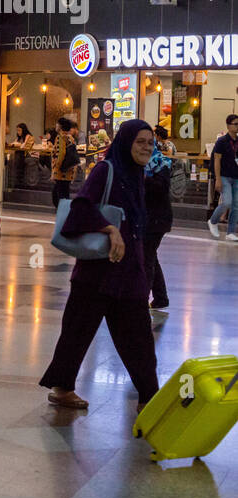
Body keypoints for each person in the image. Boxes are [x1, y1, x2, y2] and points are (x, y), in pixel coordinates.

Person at [41, 120, 159, 411]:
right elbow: (81, 207)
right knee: (76, 334)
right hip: (96, 272)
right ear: (126, 143)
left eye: (150, 142)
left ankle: (149, 397)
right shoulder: (107, 170)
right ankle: (62, 388)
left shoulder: (137, 175)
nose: (146, 147)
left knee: (140, 339)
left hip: (128, 273)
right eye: (140, 142)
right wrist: (109, 228)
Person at [144, 134, 173, 310]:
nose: (144, 147)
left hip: (156, 218)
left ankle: (141, 297)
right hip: (146, 217)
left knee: (146, 257)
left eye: (148, 143)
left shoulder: (160, 163)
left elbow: (161, 188)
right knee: (150, 256)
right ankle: (160, 297)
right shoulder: (134, 162)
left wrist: (142, 179)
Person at [208, 114, 238, 240]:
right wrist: (218, 179)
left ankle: (231, 232)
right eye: (235, 124)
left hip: (236, 176)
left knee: (236, 205)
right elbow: (216, 160)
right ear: (228, 125)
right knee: (227, 202)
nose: (237, 126)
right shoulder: (222, 141)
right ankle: (213, 221)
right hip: (224, 176)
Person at [51, 116, 79, 208]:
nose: (56, 126)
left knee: (59, 195)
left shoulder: (60, 137)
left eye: (57, 124)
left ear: (61, 126)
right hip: (68, 170)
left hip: (61, 172)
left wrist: (56, 169)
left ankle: (63, 213)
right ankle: (65, 211)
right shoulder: (70, 137)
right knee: (64, 193)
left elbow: (60, 154)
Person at [6, 123, 35, 187]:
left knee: (18, 163)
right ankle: (15, 181)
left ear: (23, 130)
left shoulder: (29, 137)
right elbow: (15, 143)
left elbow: (25, 147)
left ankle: (20, 183)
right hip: (18, 155)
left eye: (19, 130)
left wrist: (18, 145)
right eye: (17, 130)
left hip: (25, 155)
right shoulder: (19, 137)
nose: (18, 132)